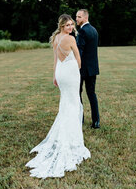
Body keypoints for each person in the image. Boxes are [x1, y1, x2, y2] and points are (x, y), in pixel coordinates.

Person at [25, 14, 90, 178]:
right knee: (74, 103)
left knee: (66, 103)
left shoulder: (55, 39)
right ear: (62, 26)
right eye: (68, 25)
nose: (71, 28)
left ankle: (67, 132)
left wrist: (54, 75)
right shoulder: (70, 39)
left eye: (72, 25)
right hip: (70, 73)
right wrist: (78, 71)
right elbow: (78, 58)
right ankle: (72, 139)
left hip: (61, 73)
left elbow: (55, 60)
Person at [76, 9, 100, 129]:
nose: (76, 19)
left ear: (85, 18)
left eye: (79, 17)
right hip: (93, 68)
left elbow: (79, 51)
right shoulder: (94, 30)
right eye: (76, 17)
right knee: (92, 94)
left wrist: (75, 66)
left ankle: (80, 119)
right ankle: (96, 122)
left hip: (82, 69)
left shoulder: (82, 31)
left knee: (78, 94)